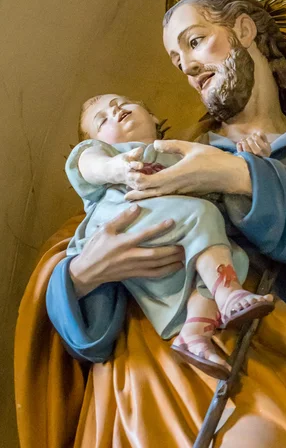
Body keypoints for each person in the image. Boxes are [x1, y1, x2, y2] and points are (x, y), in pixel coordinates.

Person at [43, 0, 286, 446]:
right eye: (179, 62)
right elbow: (91, 263)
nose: (190, 67)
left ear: (244, 29)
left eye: (195, 42)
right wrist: (80, 277)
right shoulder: (162, 157)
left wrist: (241, 177)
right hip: (156, 390)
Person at [61, 92, 274, 379]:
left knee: (227, 252)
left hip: (178, 239)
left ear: (153, 117)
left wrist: (253, 164)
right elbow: (89, 165)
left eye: (124, 103)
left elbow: (222, 192)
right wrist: (117, 167)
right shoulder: (106, 154)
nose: (115, 110)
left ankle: (194, 334)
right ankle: (229, 294)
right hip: (129, 221)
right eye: (102, 120)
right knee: (203, 215)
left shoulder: (180, 155)